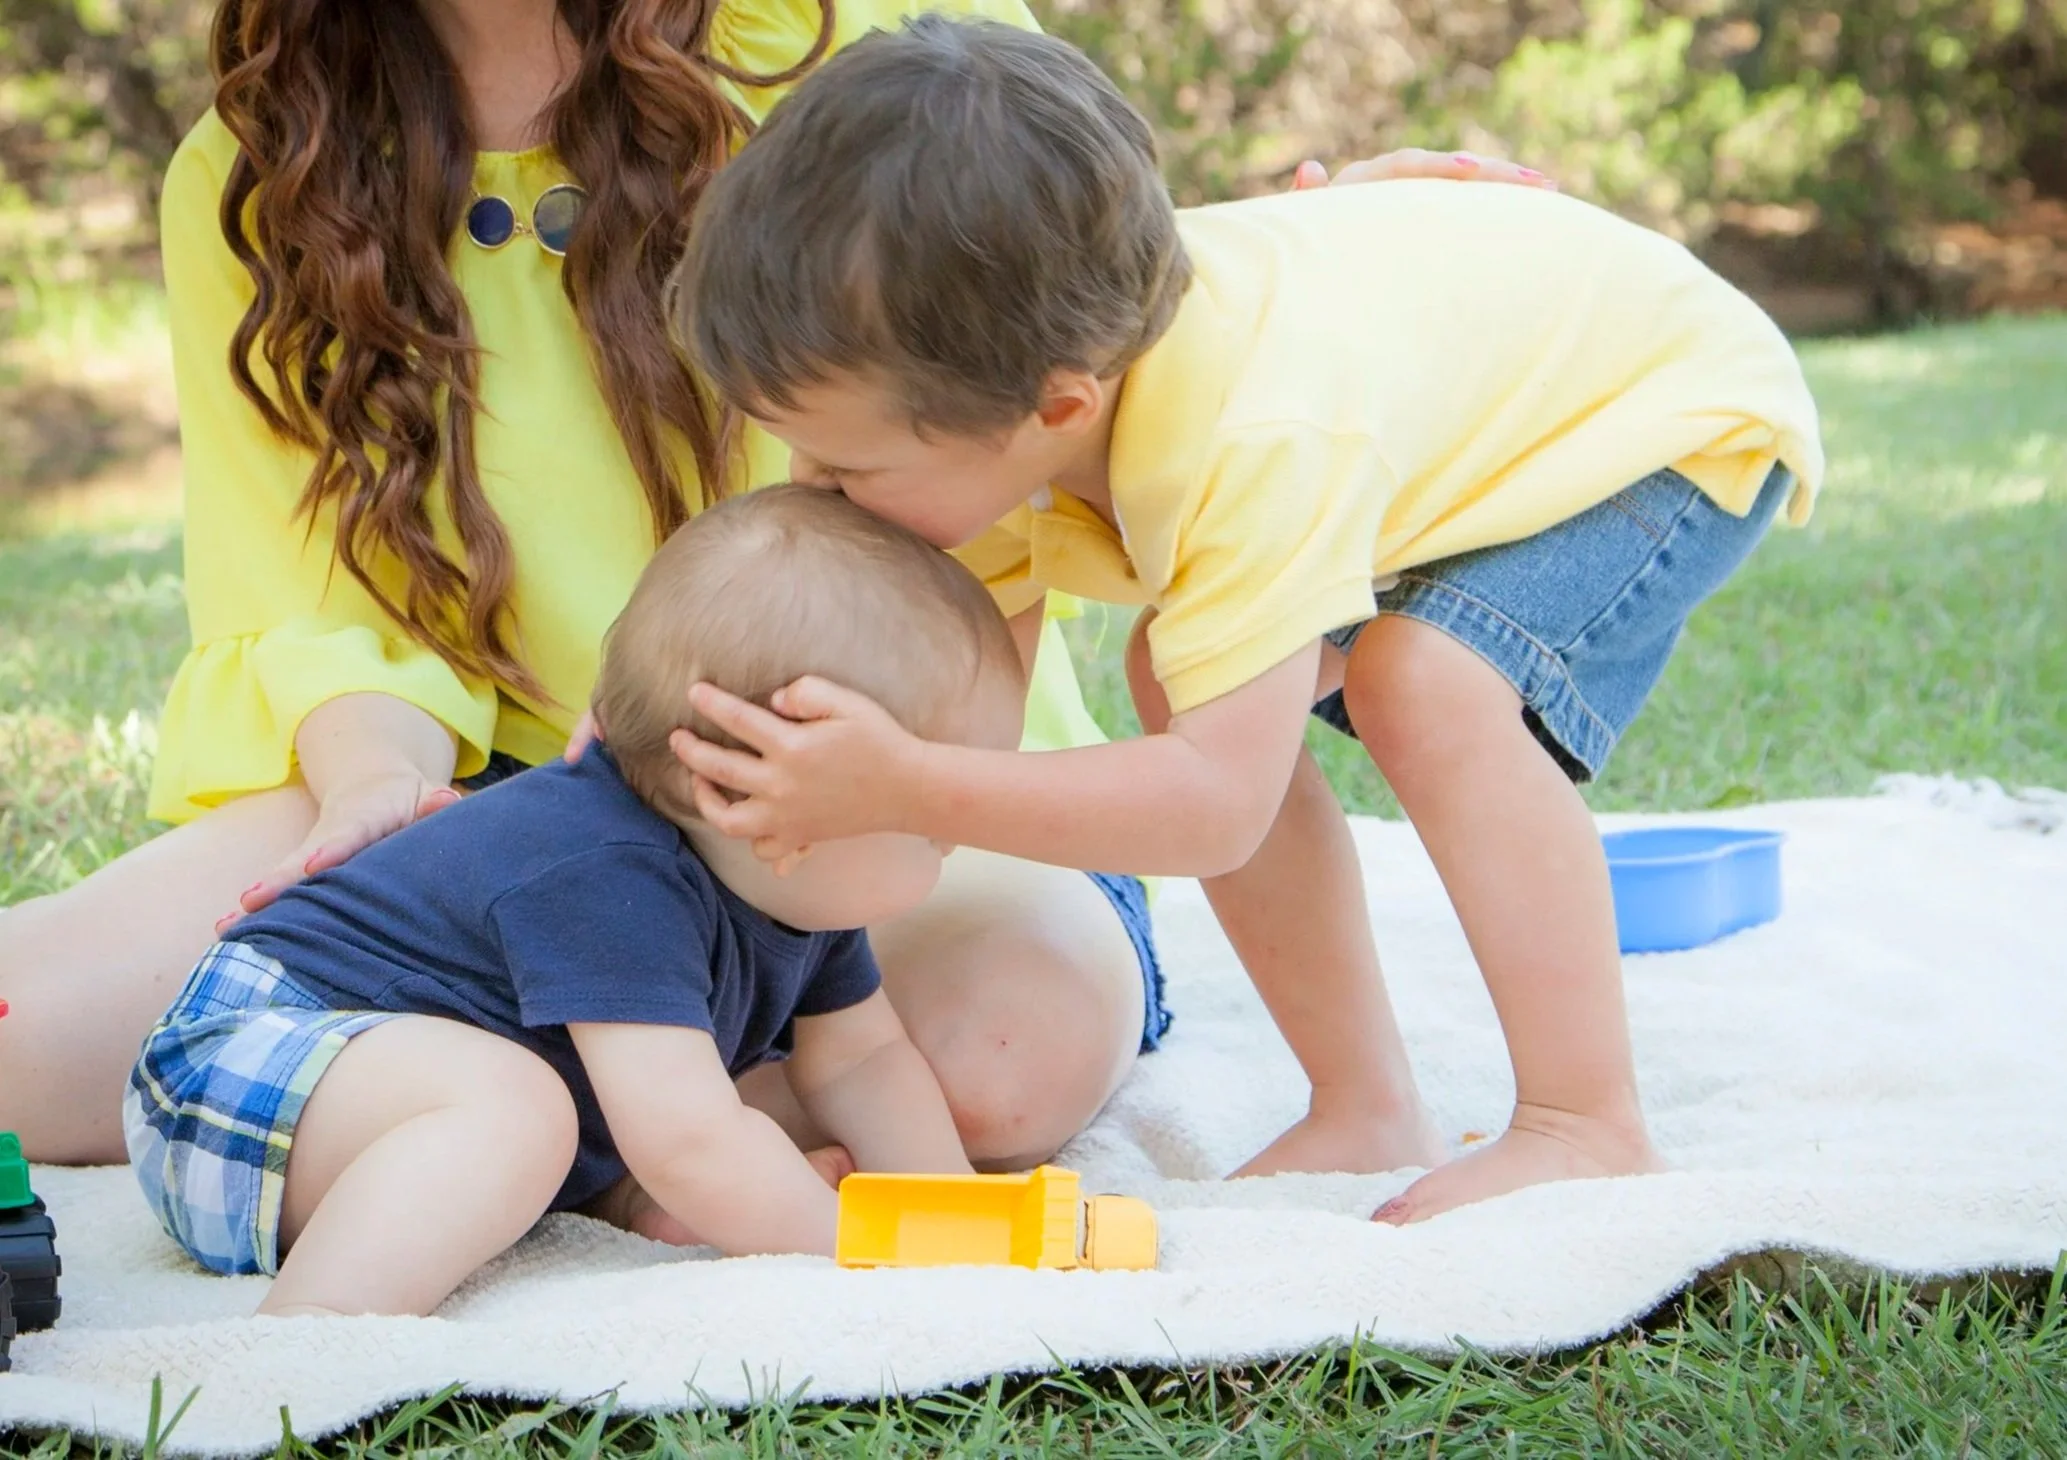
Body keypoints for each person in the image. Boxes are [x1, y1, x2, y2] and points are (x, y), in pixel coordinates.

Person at [0, 0, 1547, 1172]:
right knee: (35, 1051)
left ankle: (533, 1123)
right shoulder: (257, 168)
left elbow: (1088, 291)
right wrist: (371, 790)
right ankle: (629, 1117)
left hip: (889, 795)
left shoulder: (850, 31)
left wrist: (1328, 248)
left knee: (1000, 1058)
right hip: (499, 807)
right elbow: (299, 599)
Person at [661, 16, 1828, 1222]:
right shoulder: (1001, 418)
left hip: (1656, 404)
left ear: (1055, 408)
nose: (809, 490)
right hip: (1449, 401)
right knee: (1184, 678)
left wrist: (905, 784)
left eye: (845, 470)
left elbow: (1215, 808)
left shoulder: (1252, 437)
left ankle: (1587, 1120)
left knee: (1425, 686)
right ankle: (1368, 1103)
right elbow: (970, 719)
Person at [128, 487, 1019, 1316]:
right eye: (925, 820)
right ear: (761, 802)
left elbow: (862, 1063)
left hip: (378, 1092)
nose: (955, 831)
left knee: (571, 1098)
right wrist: (865, 1251)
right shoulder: (602, 868)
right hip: (247, 1070)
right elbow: (692, 1141)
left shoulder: (796, 883)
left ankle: (612, 1197)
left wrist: (954, 1220)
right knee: (525, 1107)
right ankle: (312, 1340)